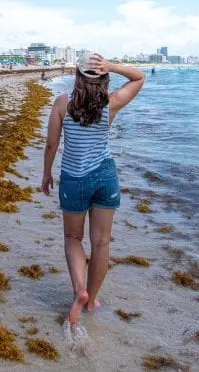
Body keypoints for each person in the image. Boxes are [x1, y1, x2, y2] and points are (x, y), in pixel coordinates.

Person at [42, 51, 145, 328]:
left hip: (74, 179)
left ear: (77, 76)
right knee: (101, 244)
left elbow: (52, 144)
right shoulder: (109, 104)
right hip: (104, 177)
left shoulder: (63, 103)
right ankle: (91, 300)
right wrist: (109, 66)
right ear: (104, 78)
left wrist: (46, 174)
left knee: (73, 238)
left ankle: (79, 290)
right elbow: (138, 77)